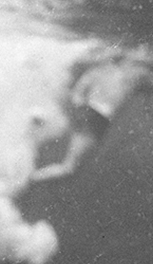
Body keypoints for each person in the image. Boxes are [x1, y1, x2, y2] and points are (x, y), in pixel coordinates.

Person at [30, 49, 153, 183]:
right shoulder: (133, 74)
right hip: (97, 117)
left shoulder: (101, 70)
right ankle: (29, 179)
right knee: (68, 167)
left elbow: (78, 93)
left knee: (59, 128)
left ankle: (40, 118)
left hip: (86, 110)